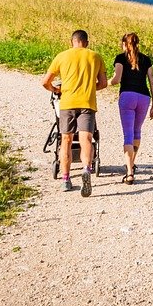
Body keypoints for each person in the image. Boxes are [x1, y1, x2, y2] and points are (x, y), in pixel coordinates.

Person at [40, 29, 107, 197]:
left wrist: (56, 89)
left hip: (67, 103)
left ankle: (66, 179)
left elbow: (45, 82)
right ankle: (86, 168)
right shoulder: (95, 56)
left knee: (66, 140)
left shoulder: (62, 56)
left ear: (72, 42)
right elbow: (104, 83)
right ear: (87, 42)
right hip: (87, 103)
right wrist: (91, 87)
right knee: (86, 139)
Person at [107, 32, 153, 185]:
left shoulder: (120, 58)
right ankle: (132, 163)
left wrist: (105, 82)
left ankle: (129, 173)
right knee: (137, 132)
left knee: (128, 135)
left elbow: (117, 79)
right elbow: (152, 83)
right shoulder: (146, 59)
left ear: (124, 44)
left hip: (127, 96)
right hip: (144, 97)